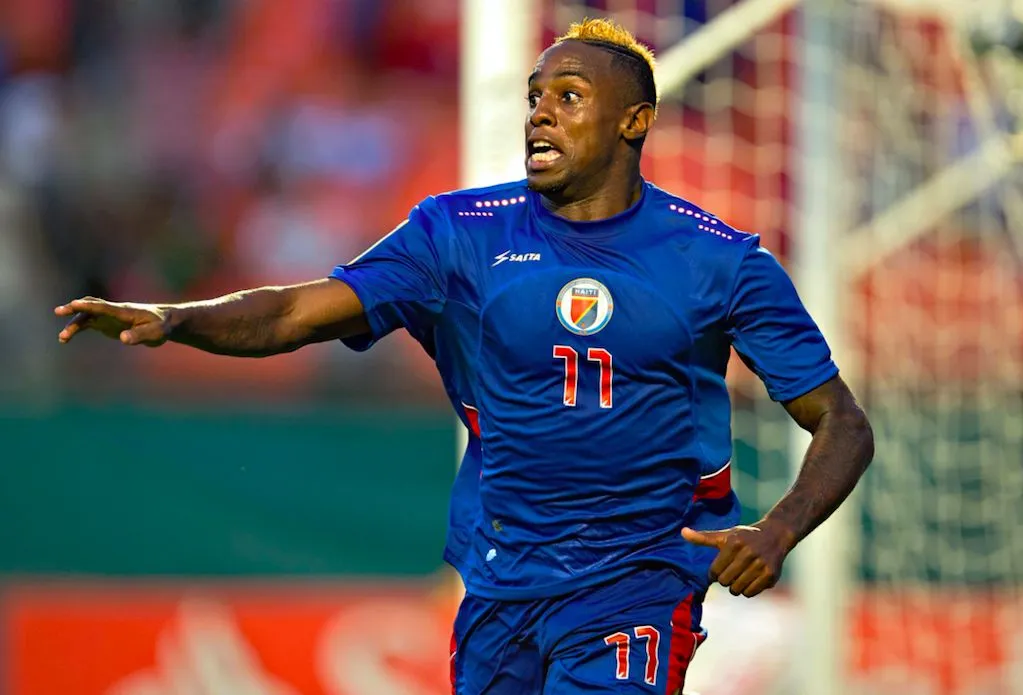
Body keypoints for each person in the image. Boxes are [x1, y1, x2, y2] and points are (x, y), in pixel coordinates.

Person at [55, 18, 874, 695]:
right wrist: (177, 317)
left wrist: (778, 528)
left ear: (633, 122)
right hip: (498, 584)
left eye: (568, 96)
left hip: (638, 580)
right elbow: (299, 310)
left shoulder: (718, 260)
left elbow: (840, 420)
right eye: (534, 97)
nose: (540, 115)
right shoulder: (457, 233)